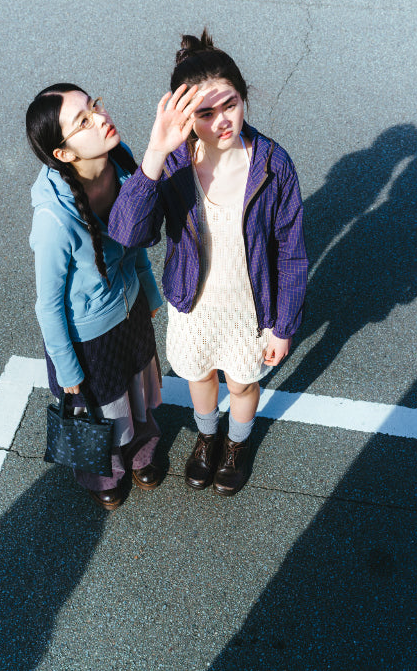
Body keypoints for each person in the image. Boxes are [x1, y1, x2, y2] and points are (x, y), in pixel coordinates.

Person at [109, 30, 308, 496]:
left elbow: (292, 252)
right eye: (205, 112)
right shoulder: (175, 163)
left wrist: (283, 325)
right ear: (183, 116)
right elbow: (128, 233)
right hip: (192, 304)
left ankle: (236, 444)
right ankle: (206, 437)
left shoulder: (273, 166)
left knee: (241, 384)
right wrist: (154, 155)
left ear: (244, 97)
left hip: (249, 307)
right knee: (199, 376)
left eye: (231, 104)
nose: (223, 121)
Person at [27, 83, 187, 510]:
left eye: (94, 105)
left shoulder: (119, 161)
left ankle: (143, 449)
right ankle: (103, 473)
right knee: (102, 410)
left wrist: (148, 289)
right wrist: (66, 368)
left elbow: (129, 241)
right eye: (82, 121)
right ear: (63, 153)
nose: (100, 116)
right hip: (88, 335)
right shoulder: (53, 220)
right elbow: (48, 305)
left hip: (129, 307)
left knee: (137, 388)